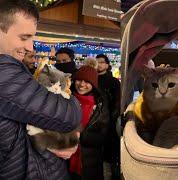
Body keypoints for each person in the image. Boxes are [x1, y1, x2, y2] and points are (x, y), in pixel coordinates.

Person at [0, 0, 81, 179]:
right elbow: (71, 115)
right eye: (24, 37)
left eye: (32, 38)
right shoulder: (4, 72)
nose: (30, 47)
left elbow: (19, 125)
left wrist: (50, 141)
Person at [69, 65, 110, 179]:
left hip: (89, 161)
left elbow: (102, 134)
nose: (82, 84)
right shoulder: (66, 98)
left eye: (87, 81)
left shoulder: (100, 104)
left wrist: (80, 137)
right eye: (79, 80)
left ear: (94, 84)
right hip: (64, 157)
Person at [96, 54, 121, 179]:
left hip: (109, 123)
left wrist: (112, 117)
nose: (99, 64)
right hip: (93, 123)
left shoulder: (113, 81)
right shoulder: (90, 80)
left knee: (109, 157)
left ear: (107, 64)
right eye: (97, 62)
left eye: (102, 62)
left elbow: (117, 102)